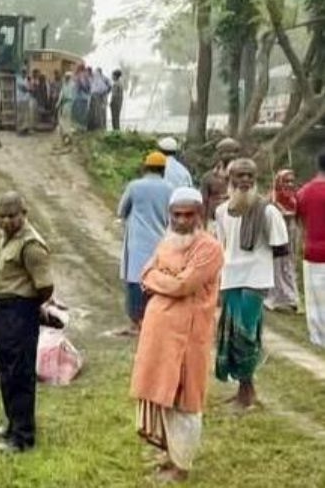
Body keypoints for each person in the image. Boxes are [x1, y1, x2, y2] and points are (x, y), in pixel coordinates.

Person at [131, 187, 224, 483]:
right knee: (159, 393)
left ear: (200, 215)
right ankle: (168, 456)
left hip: (189, 335)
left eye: (189, 215)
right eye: (177, 215)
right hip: (158, 333)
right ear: (169, 215)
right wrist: (166, 279)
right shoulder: (166, 241)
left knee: (185, 398)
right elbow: (144, 275)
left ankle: (181, 466)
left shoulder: (209, 248)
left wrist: (162, 280)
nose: (182, 221)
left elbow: (185, 285)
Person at [214, 158, 289, 409]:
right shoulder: (221, 211)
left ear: (255, 179)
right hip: (230, 278)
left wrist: (262, 266)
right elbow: (222, 247)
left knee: (245, 335)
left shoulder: (268, 210)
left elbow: (281, 248)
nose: (245, 180)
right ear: (229, 179)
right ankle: (243, 390)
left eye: (250, 175)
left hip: (255, 280)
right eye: (240, 175)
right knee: (229, 336)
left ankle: (247, 392)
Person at [0, 191, 53, 452]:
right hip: (3, 313)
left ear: (24, 214)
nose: (7, 221)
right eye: (2, 217)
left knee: (20, 374)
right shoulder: (9, 239)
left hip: (19, 313)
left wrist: (29, 307)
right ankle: (12, 424)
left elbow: (45, 286)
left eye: (12, 216)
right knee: (6, 372)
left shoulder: (31, 245)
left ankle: (22, 437)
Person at [117, 151, 174, 335]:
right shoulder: (170, 188)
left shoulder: (135, 186)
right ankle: (153, 320)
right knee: (155, 281)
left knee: (135, 281)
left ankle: (136, 323)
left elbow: (122, 210)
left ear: (145, 167)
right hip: (160, 241)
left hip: (137, 242)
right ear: (163, 169)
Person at [297, 149, 325, 347]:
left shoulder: (304, 191)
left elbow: (299, 220)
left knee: (314, 297)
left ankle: (317, 336)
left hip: (312, 249)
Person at [265, 169, 300, 312]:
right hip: (276, 236)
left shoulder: (295, 198)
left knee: (288, 265)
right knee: (276, 266)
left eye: (291, 181)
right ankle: (275, 298)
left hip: (290, 234)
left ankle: (291, 298)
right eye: (286, 181)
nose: (289, 184)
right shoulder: (272, 198)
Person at [201, 137, 241, 226]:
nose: (230, 155)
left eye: (233, 152)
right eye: (226, 152)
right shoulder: (209, 177)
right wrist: (204, 224)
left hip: (236, 221)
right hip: (214, 221)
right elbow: (204, 202)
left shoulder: (243, 176)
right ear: (219, 154)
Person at [72, 65, 91, 130]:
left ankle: (80, 128)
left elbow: (83, 86)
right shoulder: (83, 76)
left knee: (79, 113)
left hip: (79, 97)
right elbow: (86, 87)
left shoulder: (79, 76)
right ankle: (82, 127)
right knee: (82, 113)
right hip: (83, 97)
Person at [15, 70, 34, 135]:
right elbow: (25, 88)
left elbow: (32, 87)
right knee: (20, 115)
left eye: (25, 72)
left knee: (26, 116)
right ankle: (19, 130)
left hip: (26, 99)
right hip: (20, 99)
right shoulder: (18, 79)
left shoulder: (27, 79)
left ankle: (25, 129)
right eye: (23, 72)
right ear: (21, 73)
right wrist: (30, 89)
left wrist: (30, 83)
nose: (24, 73)